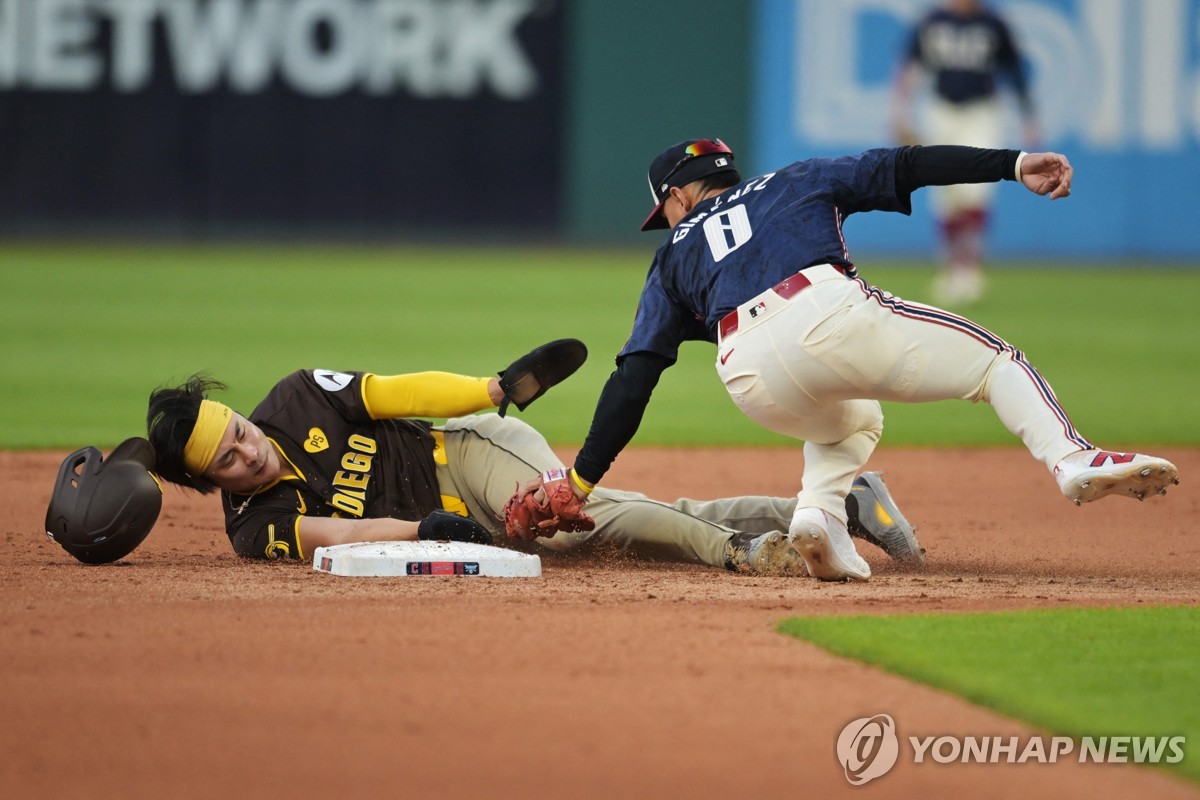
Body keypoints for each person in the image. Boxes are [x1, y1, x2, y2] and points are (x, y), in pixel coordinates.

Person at [512, 138, 1178, 583]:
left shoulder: (673, 255)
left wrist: (581, 482)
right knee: (995, 362)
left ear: (681, 196)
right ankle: (1072, 459)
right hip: (825, 311)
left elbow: (635, 376)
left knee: (851, 422)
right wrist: (1011, 163)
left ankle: (820, 520)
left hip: (747, 373)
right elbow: (904, 165)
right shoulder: (794, 179)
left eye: (667, 208)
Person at [145, 364, 924, 573]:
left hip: (472, 452)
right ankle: (840, 507)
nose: (249, 450)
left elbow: (395, 393)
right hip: (453, 516)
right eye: (229, 460)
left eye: (240, 432)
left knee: (569, 531)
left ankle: (747, 555)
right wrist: (425, 529)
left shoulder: (293, 398)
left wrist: (489, 390)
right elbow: (332, 533)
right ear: (211, 483)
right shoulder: (255, 529)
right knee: (629, 508)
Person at [892, 0, 1039, 305]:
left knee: (976, 192)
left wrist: (1029, 116)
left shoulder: (992, 23)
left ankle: (969, 268)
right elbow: (910, 68)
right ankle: (951, 268)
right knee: (944, 195)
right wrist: (899, 113)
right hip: (941, 110)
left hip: (982, 111)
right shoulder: (932, 22)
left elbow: (1013, 70)